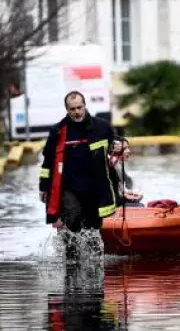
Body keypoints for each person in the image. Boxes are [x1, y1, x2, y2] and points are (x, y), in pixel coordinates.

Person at [39, 91, 118, 259]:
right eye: (72, 109)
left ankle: (95, 260)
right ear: (67, 110)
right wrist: (43, 187)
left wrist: (121, 146)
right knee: (72, 220)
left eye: (79, 107)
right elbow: (47, 162)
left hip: (94, 187)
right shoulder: (58, 131)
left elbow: (115, 141)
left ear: (85, 106)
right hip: (68, 187)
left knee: (93, 226)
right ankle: (72, 259)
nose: (77, 112)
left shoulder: (101, 126)